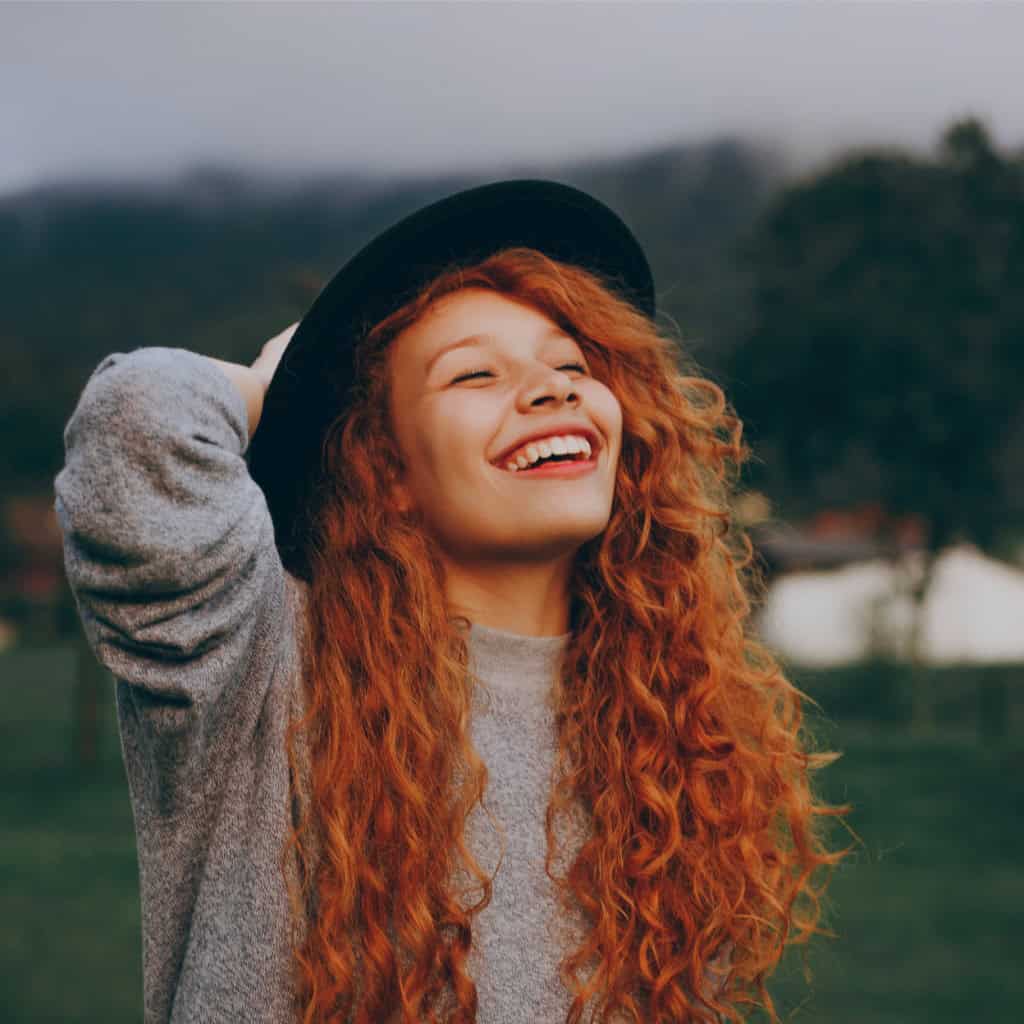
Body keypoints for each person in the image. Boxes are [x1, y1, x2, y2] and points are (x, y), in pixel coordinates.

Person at [54, 180, 851, 1024]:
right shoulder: (263, 663)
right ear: (385, 471)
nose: (552, 390)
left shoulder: (672, 723)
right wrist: (271, 383)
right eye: (474, 374)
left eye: (571, 364)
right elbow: (134, 424)